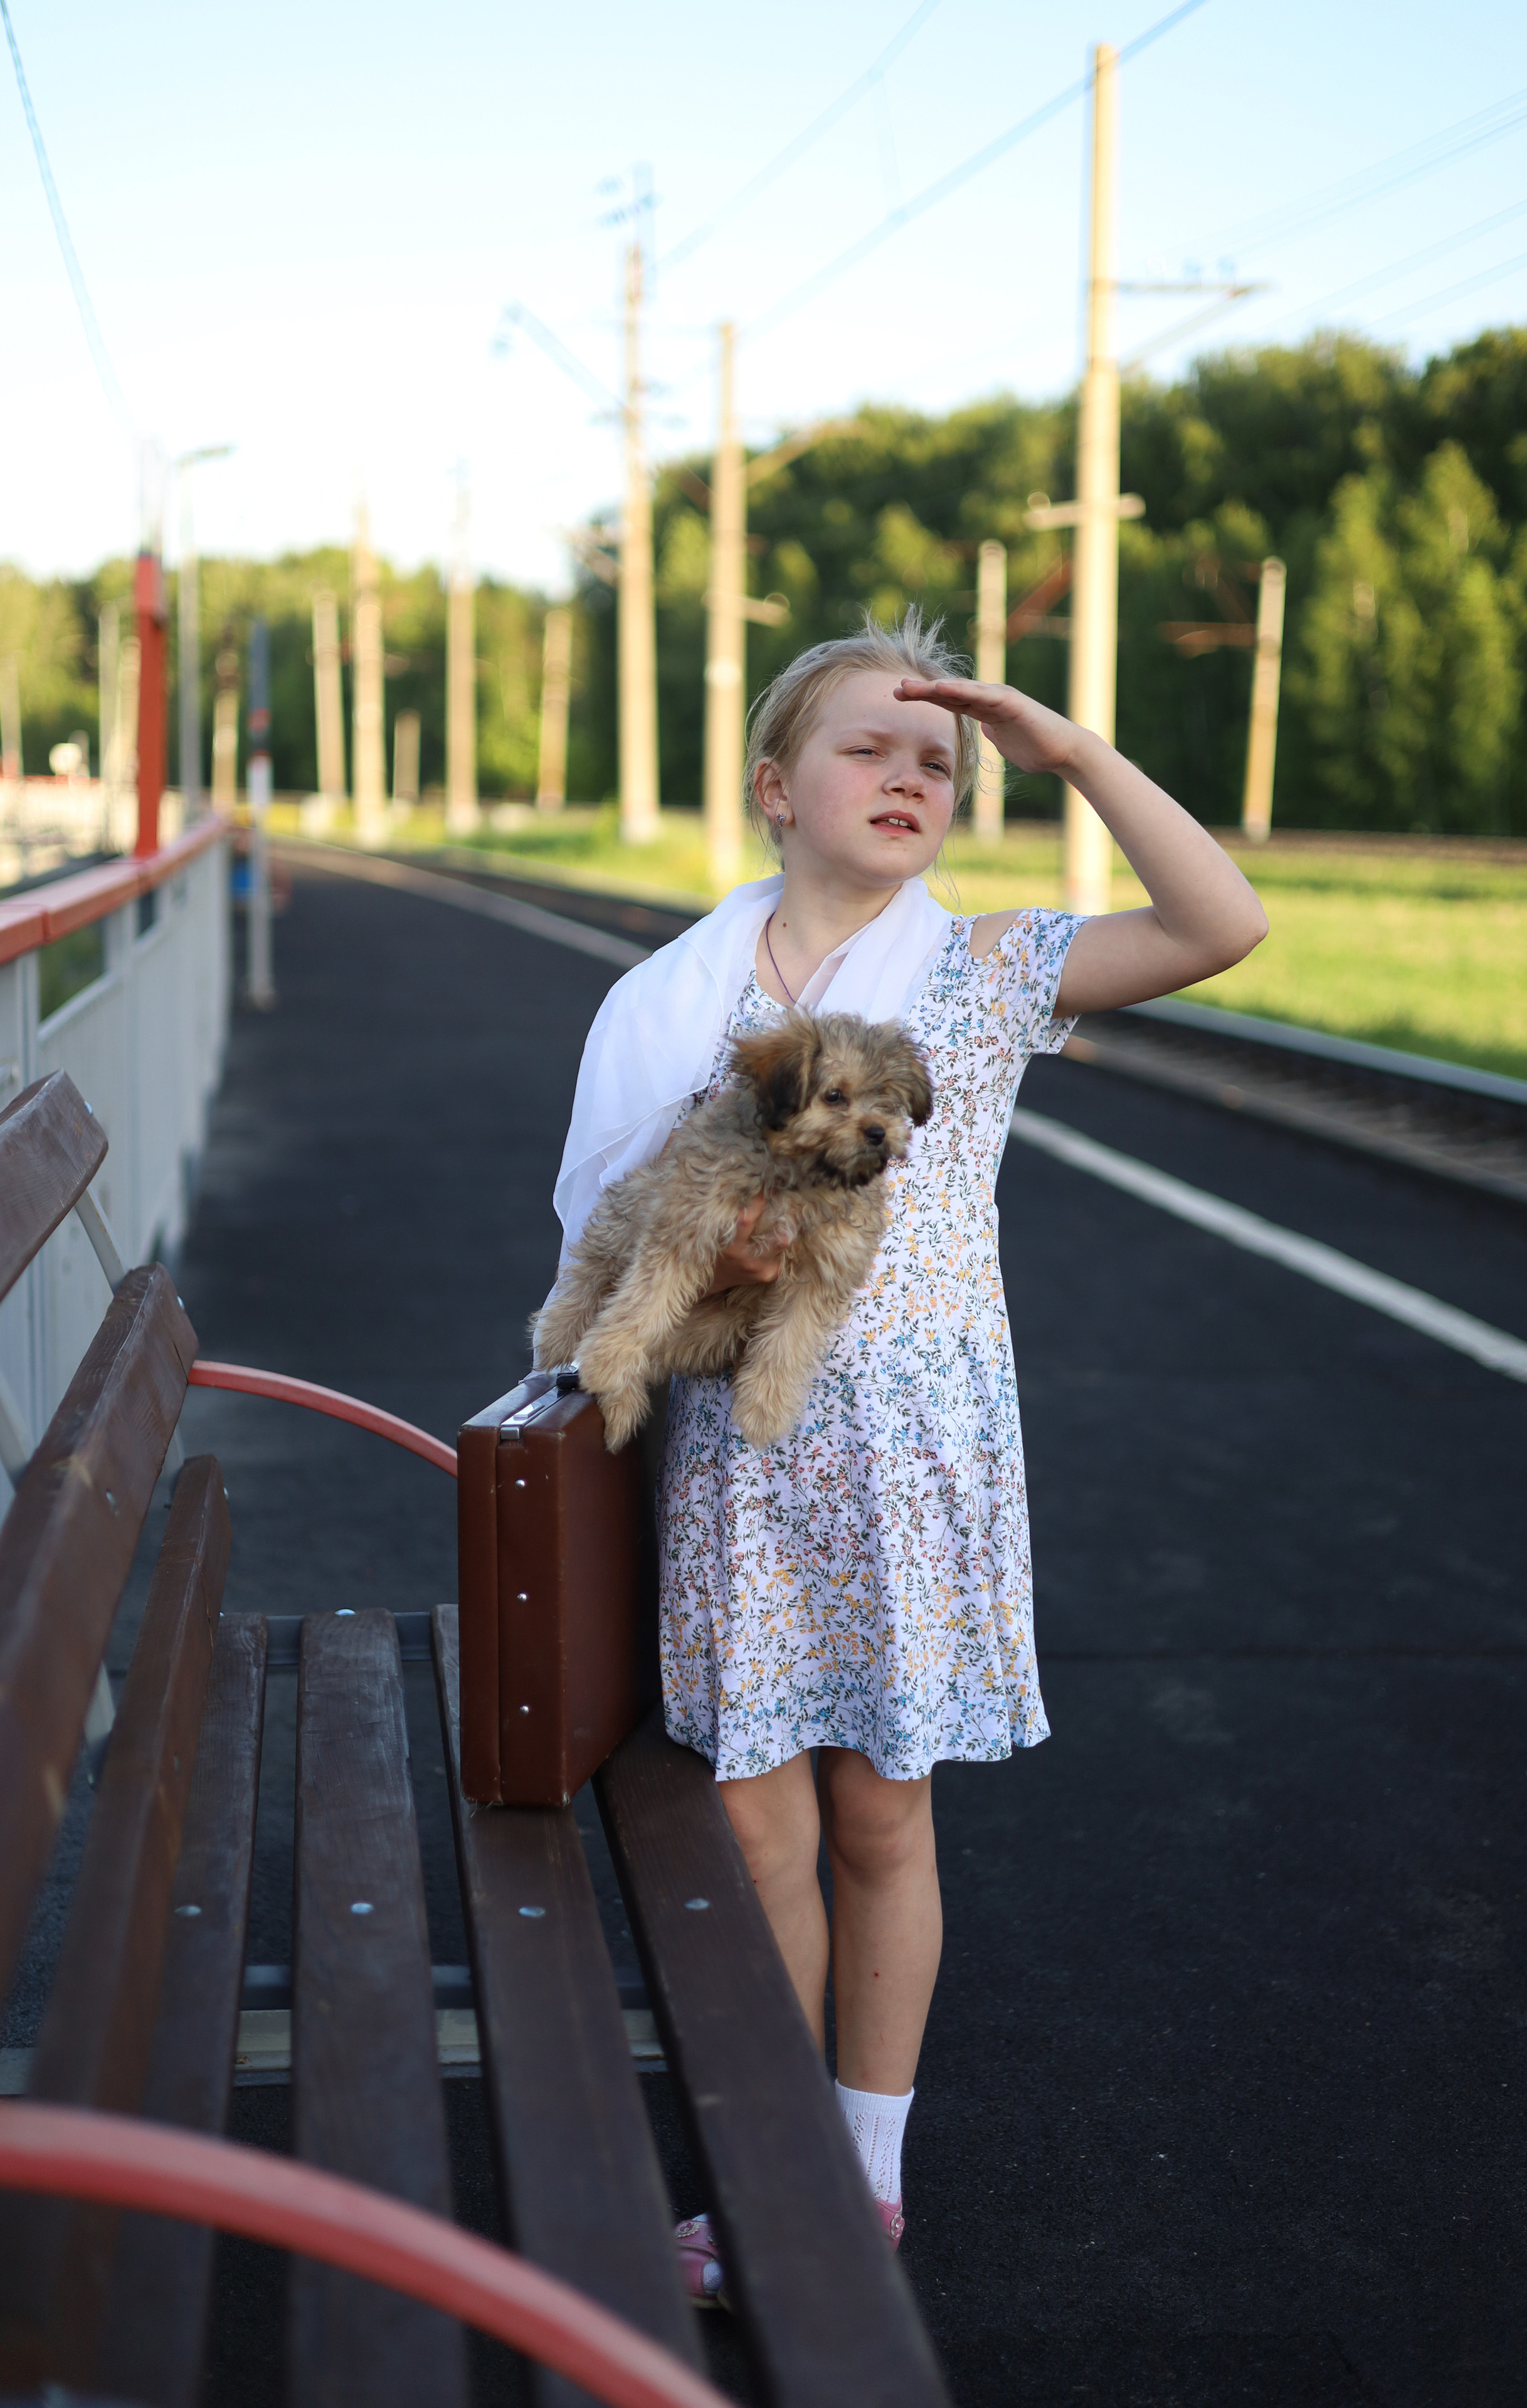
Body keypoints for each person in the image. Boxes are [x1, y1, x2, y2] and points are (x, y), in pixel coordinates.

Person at [546, 611, 1267, 2303]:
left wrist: (1071, 752)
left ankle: (860, 2184)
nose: (909, 775)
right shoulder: (671, 1003)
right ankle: (774, 2166)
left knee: (884, 1827)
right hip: (741, 1465)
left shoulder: (983, 971)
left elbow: (1220, 924)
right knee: (757, 1845)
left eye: (937, 759)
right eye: (869, 747)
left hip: (917, 1469)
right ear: (772, 788)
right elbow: (603, 1228)